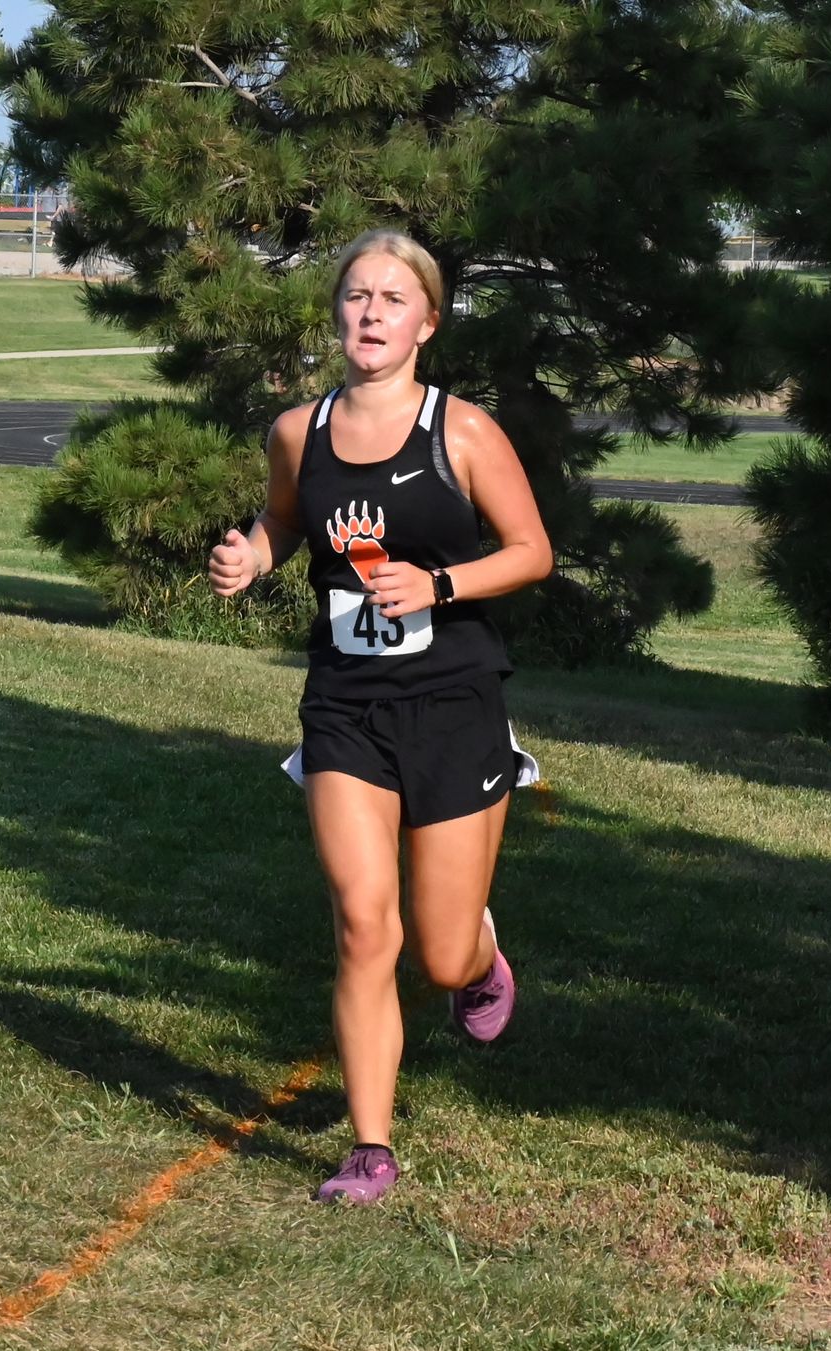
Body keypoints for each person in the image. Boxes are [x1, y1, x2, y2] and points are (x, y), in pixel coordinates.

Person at [208, 230, 553, 1205]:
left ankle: (479, 957)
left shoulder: (464, 432)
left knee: (439, 952)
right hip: (345, 705)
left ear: (427, 323)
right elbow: (283, 520)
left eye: (392, 300)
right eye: (356, 296)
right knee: (365, 923)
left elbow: (531, 551)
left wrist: (437, 582)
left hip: (453, 705)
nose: (369, 313)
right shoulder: (296, 432)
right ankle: (370, 1149)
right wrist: (253, 558)